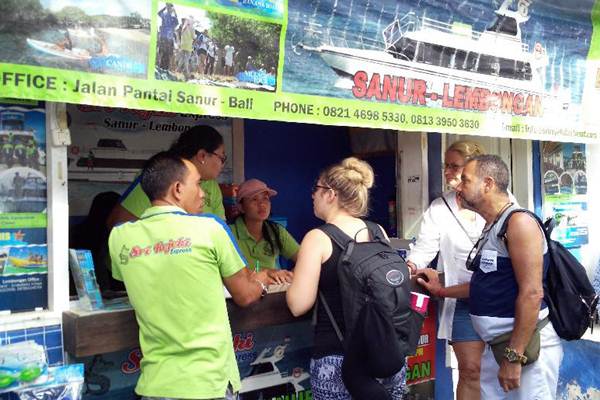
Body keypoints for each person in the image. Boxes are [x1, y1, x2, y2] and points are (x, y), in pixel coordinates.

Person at [108, 152, 292, 399]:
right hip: (208, 383)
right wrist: (260, 280)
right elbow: (246, 295)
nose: (204, 193)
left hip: (155, 385)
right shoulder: (210, 228)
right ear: (177, 189)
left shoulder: (120, 237)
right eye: (197, 184)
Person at [418, 155, 562, 399]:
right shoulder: (493, 225)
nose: (458, 186)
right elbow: (485, 285)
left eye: (465, 180)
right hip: (496, 346)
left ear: (487, 184)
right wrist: (442, 290)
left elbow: (532, 293)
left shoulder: (519, 223)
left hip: (525, 348)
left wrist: (514, 357)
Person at [286, 157, 406, 399]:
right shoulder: (377, 231)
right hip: (386, 355)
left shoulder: (317, 238)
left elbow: (299, 305)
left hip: (338, 361)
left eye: (316, 189)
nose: (312, 195)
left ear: (330, 194)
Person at [406, 140, 485, 400]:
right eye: (446, 166)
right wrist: (410, 265)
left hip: (499, 297)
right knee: (470, 369)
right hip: (459, 297)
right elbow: (424, 248)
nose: (448, 172)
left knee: (498, 369)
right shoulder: (440, 207)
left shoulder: (497, 201)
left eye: (455, 166)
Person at [107, 125, 227, 229]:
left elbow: (222, 228)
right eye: (222, 158)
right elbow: (118, 225)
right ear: (202, 156)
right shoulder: (160, 175)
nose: (201, 194)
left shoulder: (211, 185)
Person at [229, 179, 299, 272]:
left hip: (273, 285)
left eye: (265, 198)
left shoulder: (276, 231)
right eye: (254, 199)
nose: (262, 204)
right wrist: (266, 273)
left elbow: (306, 260)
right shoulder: (229, 233)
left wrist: (290, 277)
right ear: (241, 207)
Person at [157, 3, 178, 70]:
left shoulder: (173, 18)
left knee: (168, 54)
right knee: (162, 52)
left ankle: (165, 68)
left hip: (170, 39)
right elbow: (159, 13)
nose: (169, 9)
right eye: (168, 7)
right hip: (163, 36)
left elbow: (177, 22)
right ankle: (160, 67)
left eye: (170, 7)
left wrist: (174, 12)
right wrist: (165, 7)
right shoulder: (164, 15)